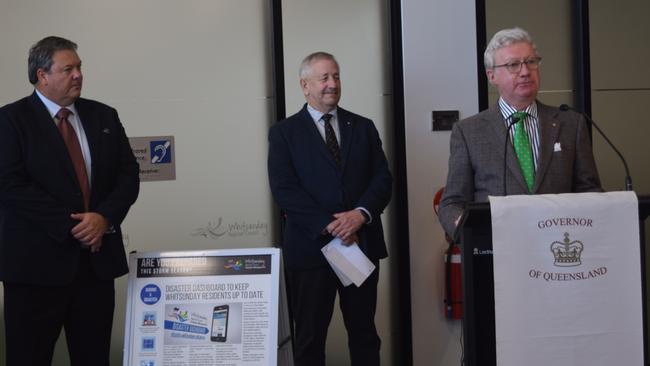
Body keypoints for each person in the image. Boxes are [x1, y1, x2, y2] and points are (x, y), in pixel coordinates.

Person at [0, 36, 140, 365]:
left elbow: (128, 175)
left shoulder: (104, 116)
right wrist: (74, 224)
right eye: (68, 68)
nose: (78, 75)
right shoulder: (10, 120)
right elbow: (9, 184)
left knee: (93, 358)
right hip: (34, 271)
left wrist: (103, 218)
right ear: (41, 75)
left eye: (79, 67)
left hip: (95, 269)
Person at [268, 52, 392, 366]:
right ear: (304, 85)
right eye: (324, 78)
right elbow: (284, 189)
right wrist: (331, 224)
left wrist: (359, 215)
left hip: (359, 246)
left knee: (364, 334)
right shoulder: (284, 133)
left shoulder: (363, 127)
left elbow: (382, 179)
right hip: (311, 251)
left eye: (336, 76)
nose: (332, 84)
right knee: (309, 339)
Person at [439, 27, 602, 238]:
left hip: (559, 248)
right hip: (497, 250)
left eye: (531, 62)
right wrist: (469, 234)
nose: (525, 72)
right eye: (513, 65)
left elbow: (590, 192)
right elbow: (452, 203)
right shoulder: (469, 132)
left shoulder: (571, 123)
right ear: (492, 75)